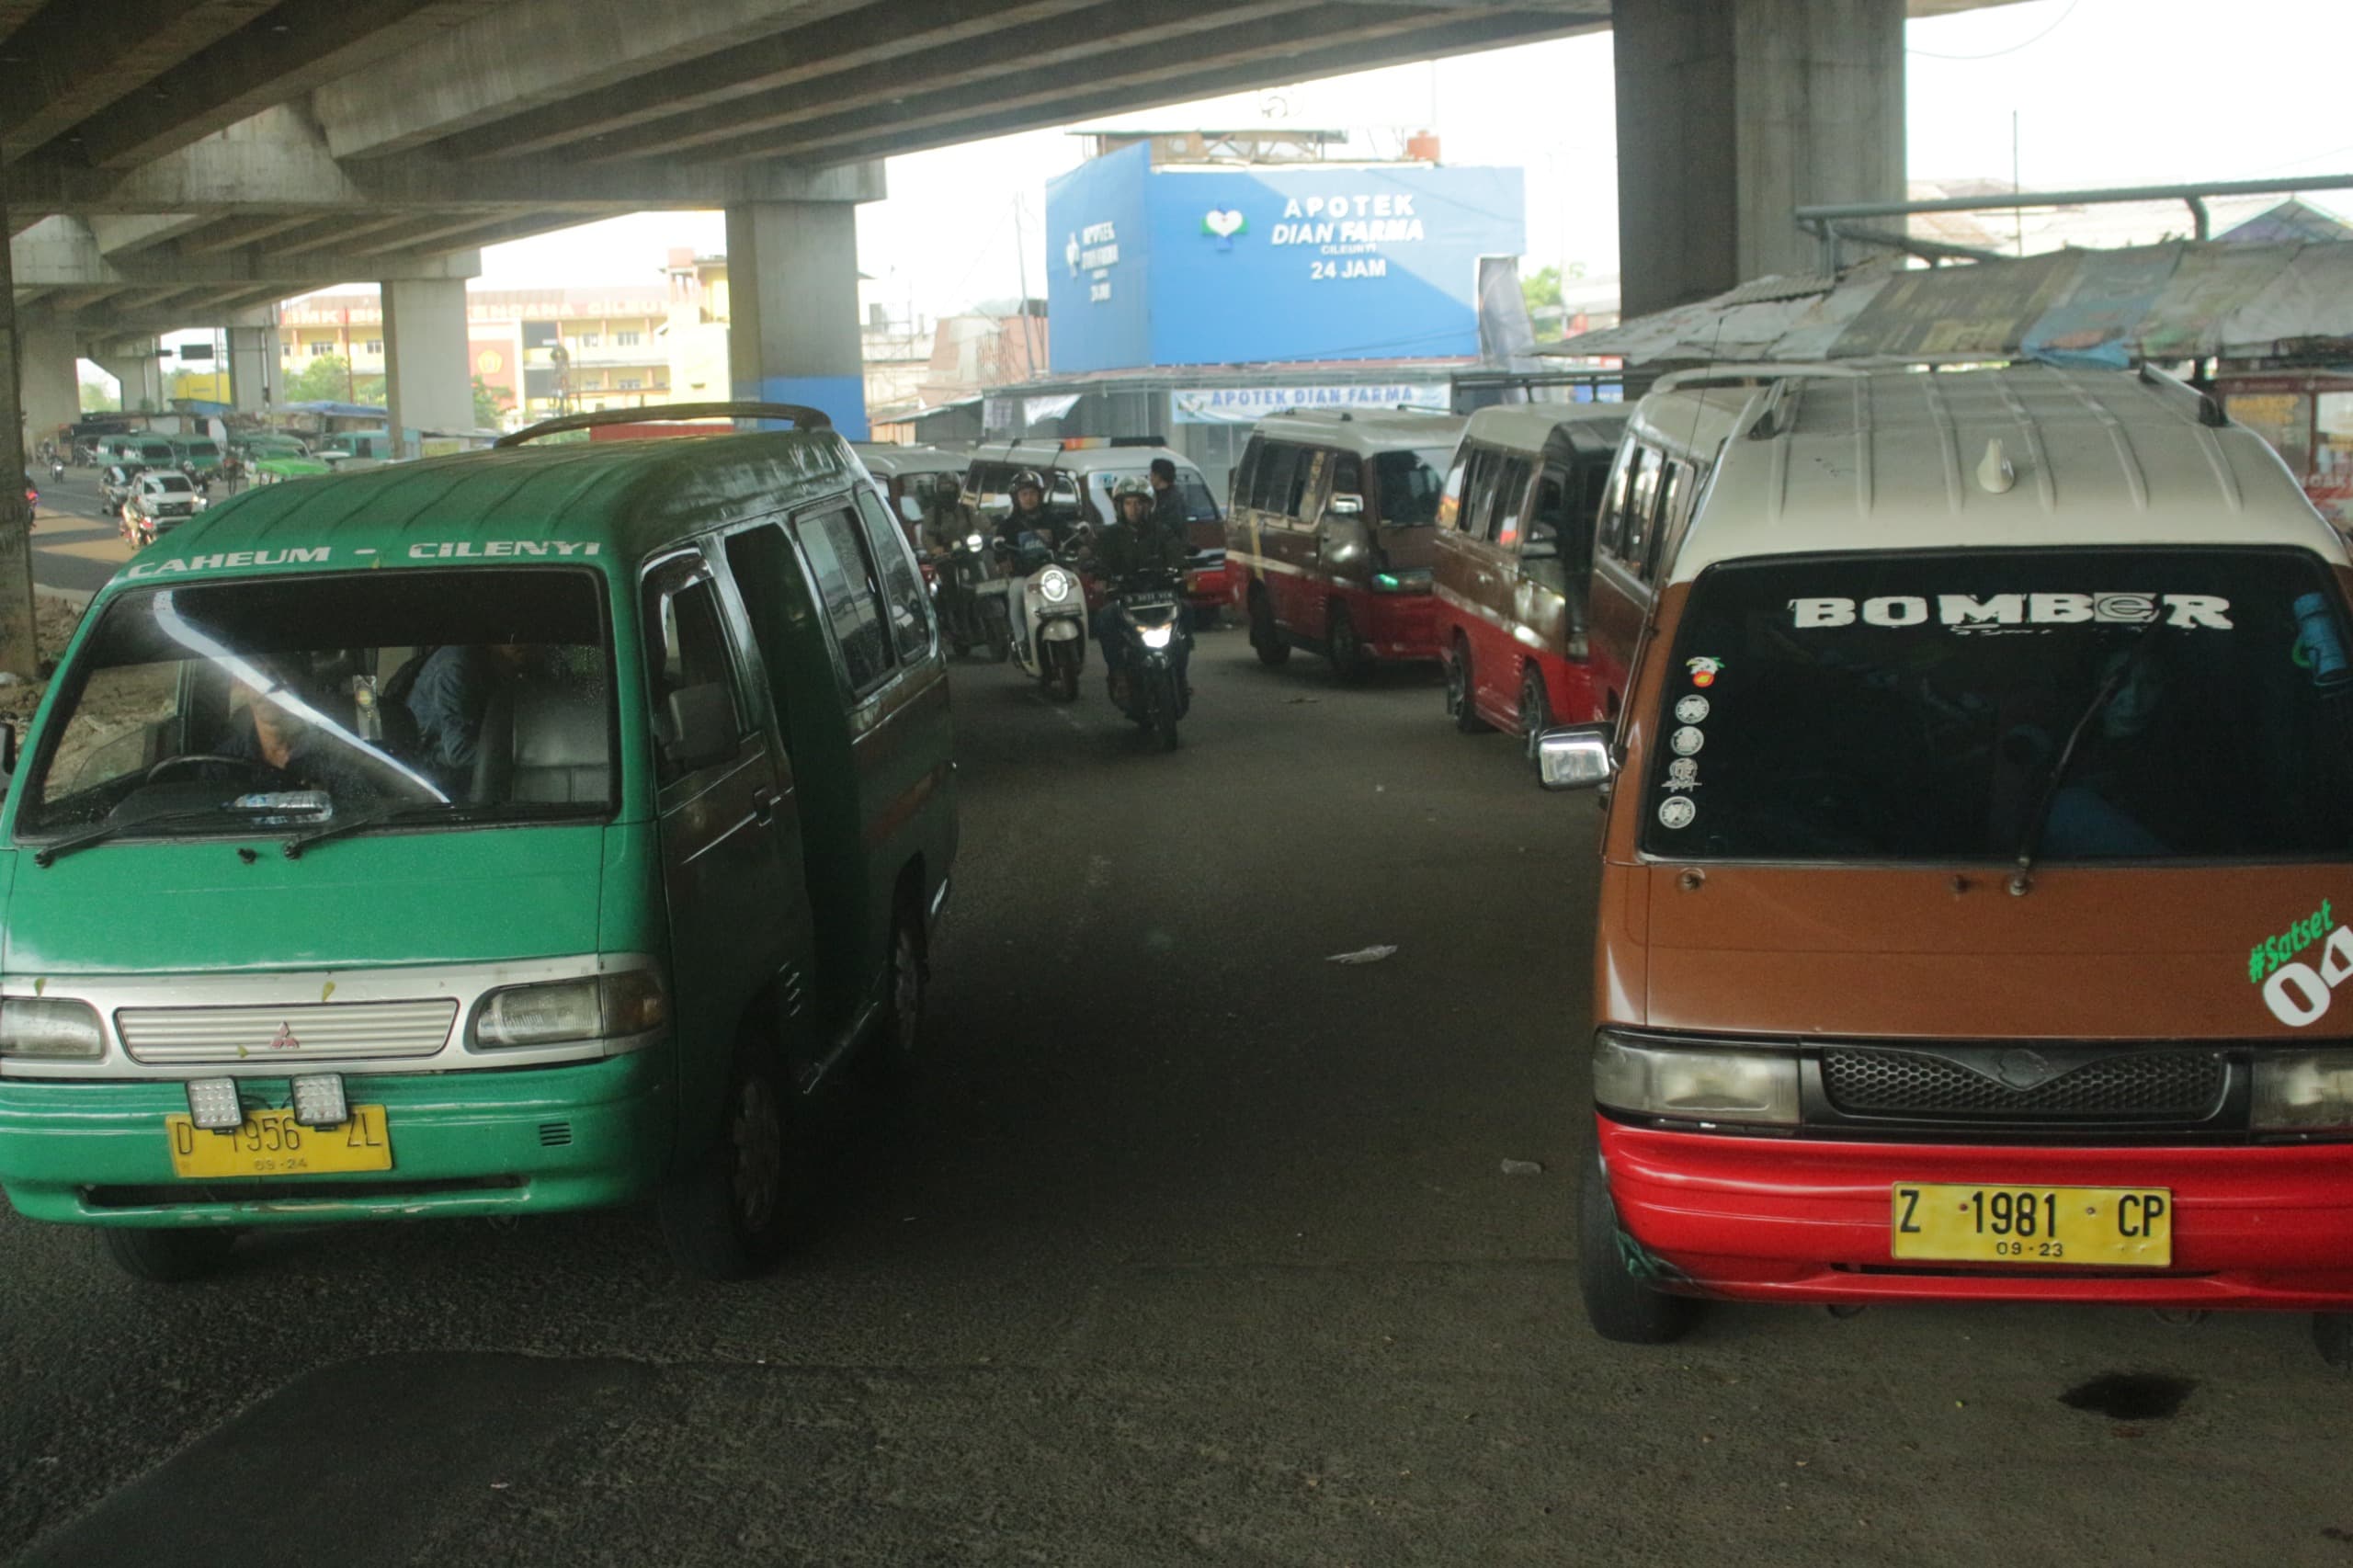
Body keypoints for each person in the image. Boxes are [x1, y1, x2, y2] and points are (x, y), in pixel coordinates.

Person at [210, 659, 380, 800]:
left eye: (279, 668)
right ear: (241, 683)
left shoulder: (343, 757)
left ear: (303, 682)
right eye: (257, 670)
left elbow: (367, 820)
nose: (267, 682)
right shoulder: (219, 764)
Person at [1089, 476, 1190, 694]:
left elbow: (1176, 551)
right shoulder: (1111, 535)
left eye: (1139, 503)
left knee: (1187, 611)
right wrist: (1101, 577)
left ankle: (1181, 675)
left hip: (1159, 596)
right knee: (1105, 617)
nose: (1134, 508)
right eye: (1128, 503)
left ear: (1149, 505)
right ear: (1120, 506)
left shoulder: (1161, 531)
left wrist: (1183, 567)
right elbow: (1101, 561)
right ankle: (1119, 674)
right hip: (1125, 597)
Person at [401, 642, 542, 791]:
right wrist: (528, 756)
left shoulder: (511, 666)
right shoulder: (457, 665)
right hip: (435, 780)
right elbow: (459, 752)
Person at [994, 469, 1069, 556]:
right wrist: (1002, 561)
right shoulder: (1007, 526)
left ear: (1040, 496)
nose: (1028, 498)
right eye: (1024, 494)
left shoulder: (1055, 520)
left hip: (1053, 567)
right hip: (1021, 569)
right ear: (1016, 499)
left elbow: (1069, 538)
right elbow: (999, 551)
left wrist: (1081, 548)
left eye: (1032, 493)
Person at [1147, 457, 1192, 551]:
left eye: (1152, 473)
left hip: (1170, 550)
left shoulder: (1173, 499)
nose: (1150, 476)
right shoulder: (1153, 495)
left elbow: (1175, 525)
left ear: (1158, 476)